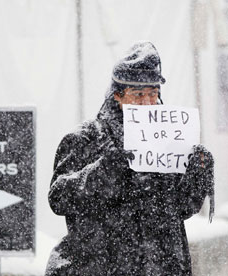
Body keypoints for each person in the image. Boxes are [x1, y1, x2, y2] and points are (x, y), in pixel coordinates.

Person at [45, 42, 215, 276]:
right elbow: (59, 198)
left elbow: (180, 209)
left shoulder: (168, 142)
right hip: (100, 268)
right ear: (117, 96)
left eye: (152, 94)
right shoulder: (86, 139)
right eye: (137, 95)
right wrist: (104, 171)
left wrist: (197, 175)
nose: (146, 102)